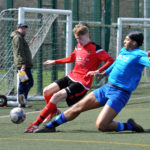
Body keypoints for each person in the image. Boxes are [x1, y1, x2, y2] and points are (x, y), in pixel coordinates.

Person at [34, 31, 148, 133]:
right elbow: (116, 63)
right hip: (107, 88)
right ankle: (50, 126)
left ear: (134, 43)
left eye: (127, 40)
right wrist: (103, 72)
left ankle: (129, 126)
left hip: (120, 94)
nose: (124, 41)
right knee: (77, 107)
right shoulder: (124, 51)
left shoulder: (140, 55)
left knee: (102, 125)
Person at [24, 24, 114, 133]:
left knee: (56, 96)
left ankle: (35, 124)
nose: (79, 41)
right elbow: (71, 58)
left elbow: (110, 61)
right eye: (77, 38)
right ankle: (54, 111)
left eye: (80, 38)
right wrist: (55, 61)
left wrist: (99, 71)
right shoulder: (78, 46)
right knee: (46, 91)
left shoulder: (96, 49)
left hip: (82, 82)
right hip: (72, 76)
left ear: (87, 35)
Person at [10, 23, 33, 108]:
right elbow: (19, 51)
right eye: (23, 28)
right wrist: (23, 63)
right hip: (22, 65)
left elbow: (23, 49)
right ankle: (22, 100)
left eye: (25, 29)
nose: (25, 30)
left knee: (27, 82)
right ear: (18, 28)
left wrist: (31, 42)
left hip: (25, 64)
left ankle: (22, 99)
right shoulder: (18, 37)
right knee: (25, 82)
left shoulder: (21, 38)